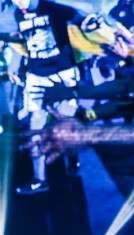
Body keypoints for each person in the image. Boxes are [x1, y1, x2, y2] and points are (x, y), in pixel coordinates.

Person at [12, 0, 89, 195]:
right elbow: (23, 41)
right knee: (35, 125)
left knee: (65, 122)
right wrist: (15, 65)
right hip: (36, 75)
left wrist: (91, 32)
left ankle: (72, 156)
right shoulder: (17, 14)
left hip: (63, 73)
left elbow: (81, 18)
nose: (17, 2)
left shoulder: (52, 7)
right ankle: (39, 179)